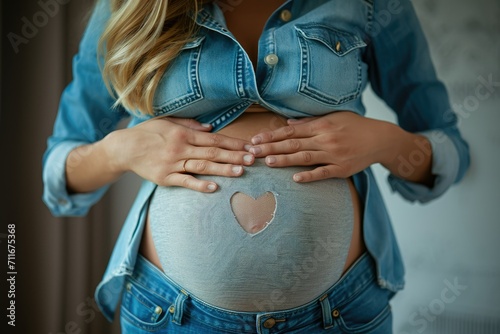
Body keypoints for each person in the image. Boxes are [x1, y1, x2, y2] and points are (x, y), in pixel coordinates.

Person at [42, 0, 470, 332]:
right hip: (170, 310)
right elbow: (60, 173)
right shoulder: (129, 8)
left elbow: (449, 150)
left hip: (339, 311)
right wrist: (120, 150)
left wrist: (384, 141)